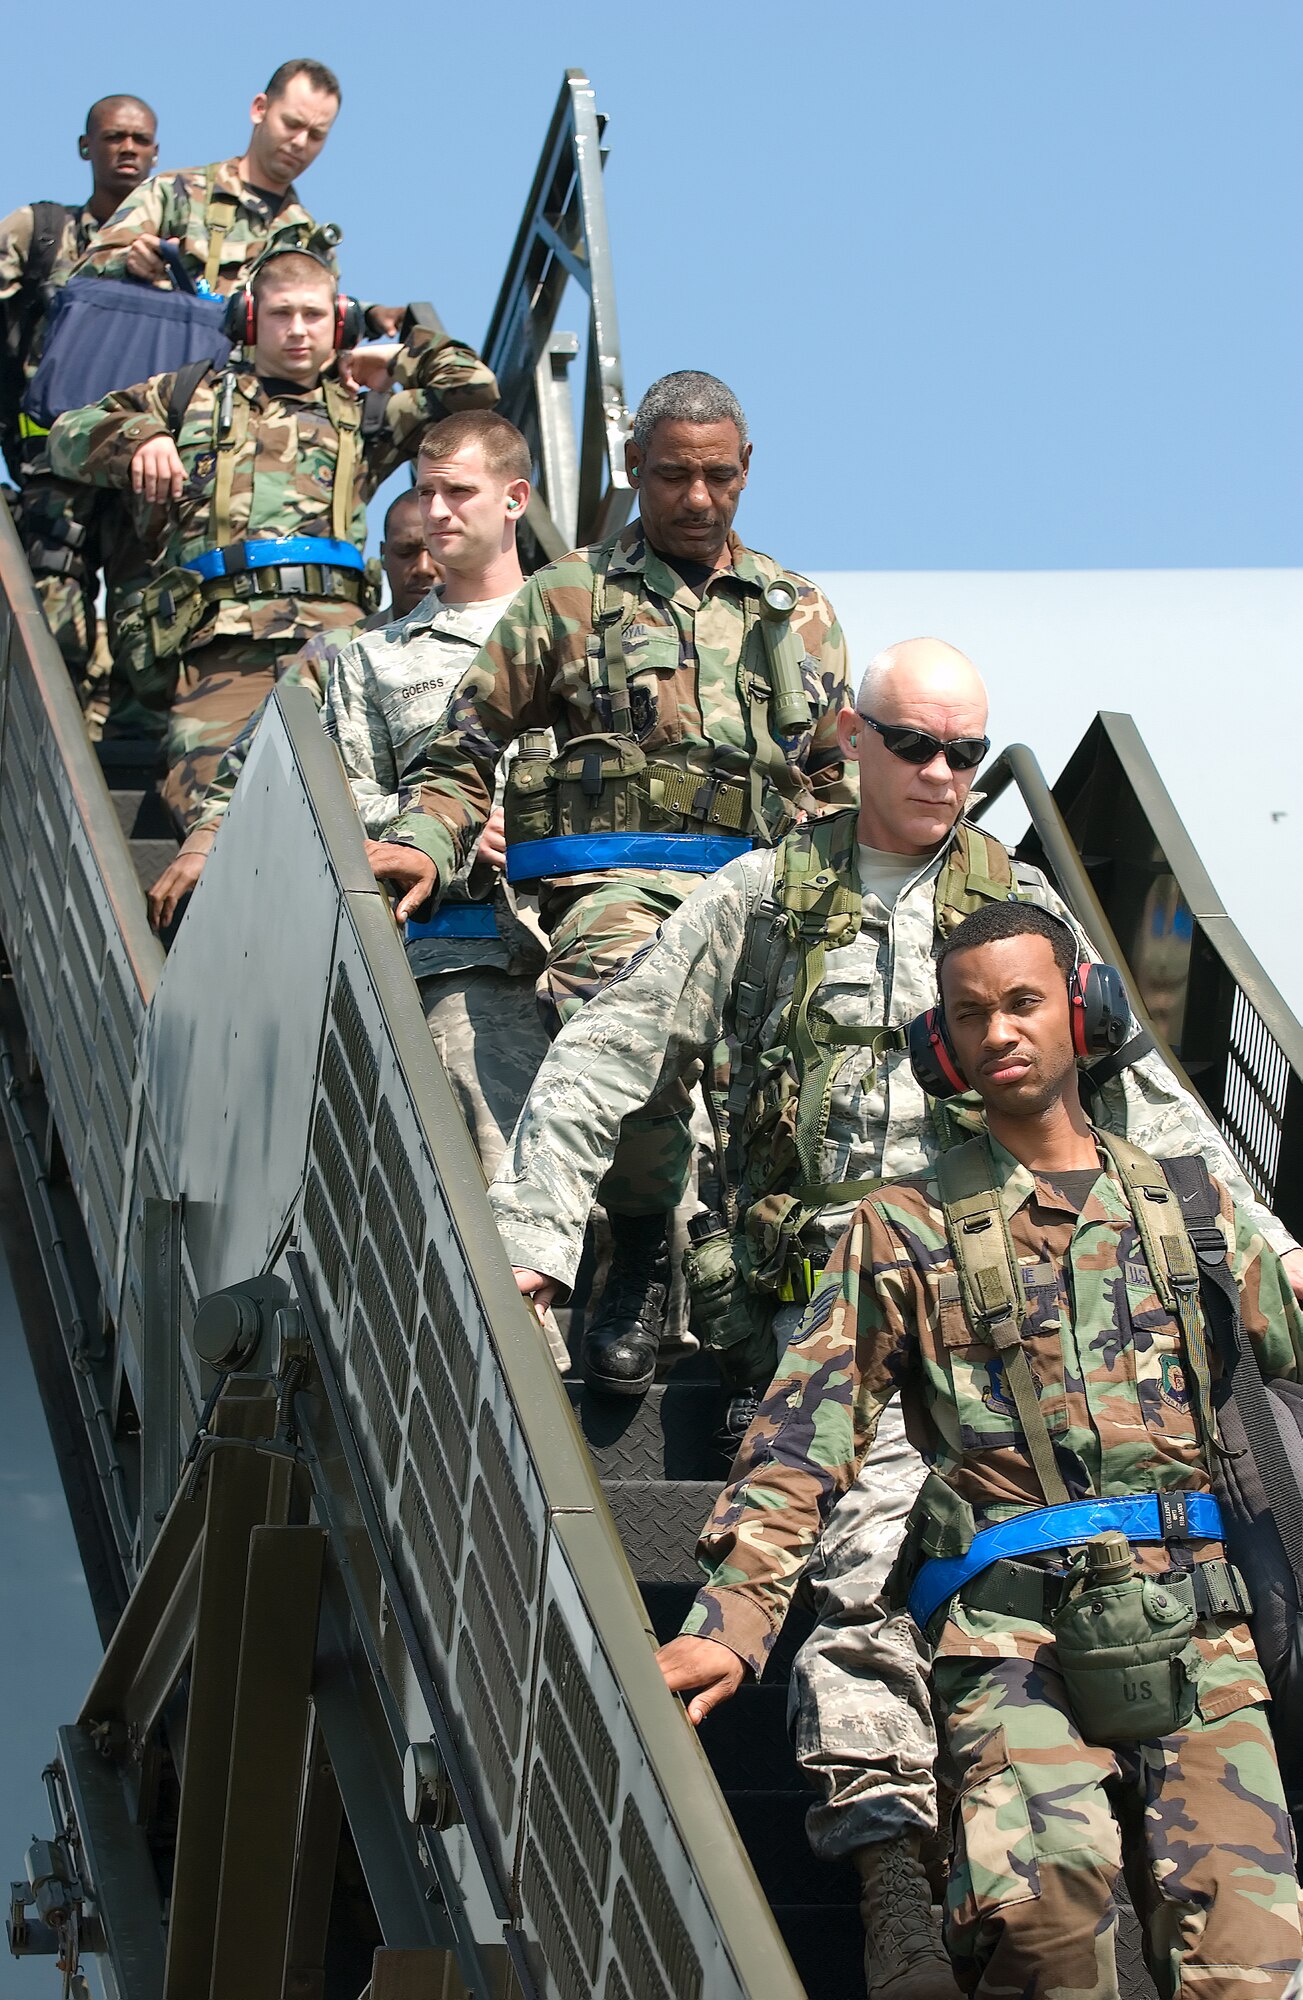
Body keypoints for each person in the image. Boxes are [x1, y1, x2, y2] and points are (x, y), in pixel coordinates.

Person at [486, 639, 1303, 1997]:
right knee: (862, 1585)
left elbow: (1157, 1118)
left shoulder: (1021, 911)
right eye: (912, 745)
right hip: (840, 1304)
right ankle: (889, 1881)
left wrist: (1259, 1251)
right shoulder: (758, 899)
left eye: (963, 756)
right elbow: (609, 1050)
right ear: (851, 737)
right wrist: (532, 1241)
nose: (939, 774)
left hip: (1028, 1323)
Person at [656, 900, 1303, 2000]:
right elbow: (805, 1431)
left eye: (1020, 1001)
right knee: (1044, 1925)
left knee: (1249, 1957)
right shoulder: (901, 1226)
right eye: (968, 1013)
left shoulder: (1192, 1210)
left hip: (1200, 1626)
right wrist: (734, 1618)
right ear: (939, 1047)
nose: (998, 1029)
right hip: (1011, 1628)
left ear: (1082, 1009)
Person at [377, 369, 855, 1388]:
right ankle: (637, 1244)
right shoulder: (567, 596)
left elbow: (831, 773)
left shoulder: (797, 611)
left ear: (746, 470)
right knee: (619, 998)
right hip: (616, 886)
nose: (695, 498)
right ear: (632, 468)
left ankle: (760, 1292)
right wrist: (423, 838)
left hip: (762, 890)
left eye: (717, 476)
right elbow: (463, 749)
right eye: (672, 475)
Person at [48, 245, 496, 827]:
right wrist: (141, 437)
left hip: (337, 642)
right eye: (282, 314)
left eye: (314, 315)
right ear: (250, 319)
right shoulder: (190, 397)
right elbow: (66, 435)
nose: (298, 331)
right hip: (221, 641)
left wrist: (396, 357)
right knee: (212, 809)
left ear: (339, 323)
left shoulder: (367, 414)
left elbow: (476, 391)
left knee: (342, 803)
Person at [145, 484, 437, 928]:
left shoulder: (504, 636)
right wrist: (206, 838)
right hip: (364, 879)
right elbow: (256, 749)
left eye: (434, 549)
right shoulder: (338, 651)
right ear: (382, 556)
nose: (423, 568)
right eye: (405, 552)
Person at [0, 95, 158, 678]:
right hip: (53, 457)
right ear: (85, 146)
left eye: (140, 141)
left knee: (144, 620)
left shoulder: (179, 251)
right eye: (114, 136)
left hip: (141, 461)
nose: (127, 149)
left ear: (156, 153)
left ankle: (132, 745)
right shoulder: (42, 232)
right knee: (50, 620)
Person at [72, 60, 349, 298]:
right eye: (292, 124)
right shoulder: (176, 193)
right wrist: (128, 262)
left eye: (316, 135)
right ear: (259, 109)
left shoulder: (310, 241)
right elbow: (78, 282)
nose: (300, 142)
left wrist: (368, 315)